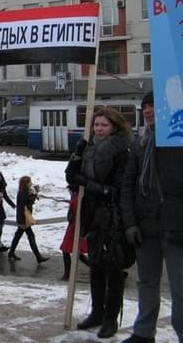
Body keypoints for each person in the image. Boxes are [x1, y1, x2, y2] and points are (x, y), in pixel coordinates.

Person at [121, 91, 183, 343]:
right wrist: (130, 224)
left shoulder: (177, 142)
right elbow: (128, 187)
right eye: (145, 106)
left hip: (176, 228)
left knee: (180, 289)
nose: (147, 111)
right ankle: (143, 333)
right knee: (146, 282)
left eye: (153, 106)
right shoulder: (140, 144)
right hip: (146, 228)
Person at [66, 107, 132, 339]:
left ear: (114, 126)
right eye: (96, 125)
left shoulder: (122, 151)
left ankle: (110, 318)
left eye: (103, 125)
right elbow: (72, 179)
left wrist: (90, 185)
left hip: (114, 218)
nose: (99, 129)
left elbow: (117, 190)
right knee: (96, 266)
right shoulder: (91, 149)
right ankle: (96, 311)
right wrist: (77, 155)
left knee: (113, 269)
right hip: (93, 216)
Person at [7, 176, 49, 263]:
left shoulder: (23, 191)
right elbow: (28, 201)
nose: (31, 183)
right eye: (30, 182)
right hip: (23, 218)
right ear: (26, 183)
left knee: (18, 235)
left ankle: (11, 252)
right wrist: (35, 193)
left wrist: (34, 193)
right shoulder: (23, 192)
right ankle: (38, 257)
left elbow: (29, 200)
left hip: (22, 217)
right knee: (31, 236)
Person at [59, 185, 89, 281]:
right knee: (77, 251)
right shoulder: (79, 199)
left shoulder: (76, 200)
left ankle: (67, 274)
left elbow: (72, 216)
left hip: (74, 229)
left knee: (66, 250)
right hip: (77, 228)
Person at [0, 171, 16, 244]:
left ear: (1, 178)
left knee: (0, 223)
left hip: (0, 207)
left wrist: (12, 204)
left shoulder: (2, 186)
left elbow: (6, 196)